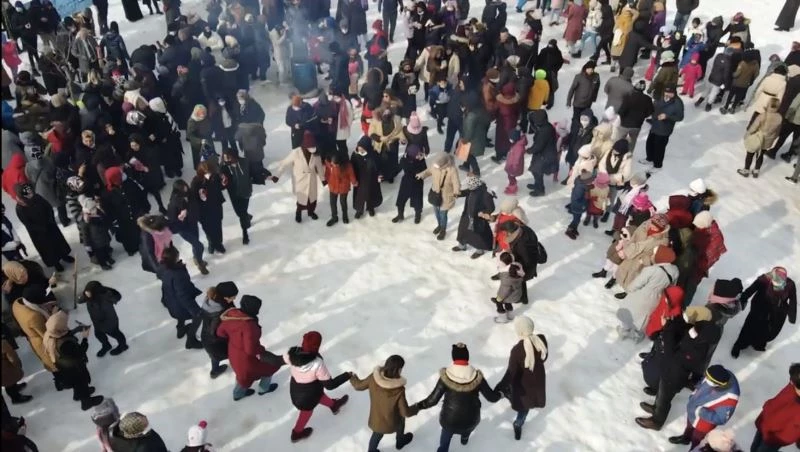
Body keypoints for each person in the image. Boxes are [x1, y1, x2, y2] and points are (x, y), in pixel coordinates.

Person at [635, 321, 723, 431]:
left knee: (665, 399)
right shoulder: (697, 340)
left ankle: (657, 421)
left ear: (703, 337)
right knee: (661, 393)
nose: (694, 329)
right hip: (669, 372)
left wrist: (668, 333)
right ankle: (656, 408)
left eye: (698, 329)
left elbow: (670, 356)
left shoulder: (696, 351)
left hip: (674, 378)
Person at [415, 343, 502, 451]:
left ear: (453, 358)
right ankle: (464, 439)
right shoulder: (477, 377)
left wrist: (418, 406)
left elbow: (432, 400)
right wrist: (501, 394)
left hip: (449, 421)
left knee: (446, 437)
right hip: (471, 420)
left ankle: (443, 449)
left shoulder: (446, 376)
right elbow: (491, 397)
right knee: (467, 428)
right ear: (467, 357)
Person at [284, 331, 351, 442]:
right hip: (306, 399)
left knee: (319, 396)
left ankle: (334, 405)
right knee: (306, 413)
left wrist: (260, 354)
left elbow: (275, 360)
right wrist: (346, 376)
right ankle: (296, 433)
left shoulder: (292, 354)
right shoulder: (317, 363)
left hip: (298, 390)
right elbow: (330, 385)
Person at [216, 295, 281, 400]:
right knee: (270, 367)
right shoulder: (249, 326)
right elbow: (250, 350)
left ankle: (237, 394)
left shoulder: (232, 315)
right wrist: (261, 350)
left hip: (233, 353)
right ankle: (263, 388)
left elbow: (220, 333)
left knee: (242, 376)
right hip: (245, 359)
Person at [494, 316, 547, 440]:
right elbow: (545, 356)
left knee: (521, 401)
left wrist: (499, 386)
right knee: (526, 406)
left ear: (520, 332)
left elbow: (511, 374)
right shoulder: (541, 340)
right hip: (538, 381)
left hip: (523, 385)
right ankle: (518, 424)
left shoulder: (517, 350)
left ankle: (506, 395)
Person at [350, 355, 418, 452]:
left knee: (376, 434)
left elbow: (358, 386)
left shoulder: (373, 378)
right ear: (398, 370)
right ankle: (400, 441)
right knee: (401, 421)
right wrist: (416, 407)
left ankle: (371, 451)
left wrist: (352, 377)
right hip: (393, 422)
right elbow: (405, 412)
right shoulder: (398, 389)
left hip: (376, 419)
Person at [43, 310, 105, 410]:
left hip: (63, 366)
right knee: (82, 382)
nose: (66, 324)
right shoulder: (65, 344)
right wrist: (85, 337)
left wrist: (76, 330)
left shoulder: (50, 333)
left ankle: (77, 395)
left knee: (76, 383)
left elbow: (65, 335)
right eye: (64, 323)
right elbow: (80, 352)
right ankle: (86, 402)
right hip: (74, 367)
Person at [667, 365, 740, 448]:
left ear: (719, 384)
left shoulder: (730, 398)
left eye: (709, 379)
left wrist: (701, 412)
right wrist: (695, 392)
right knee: (689, 427)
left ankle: (694, 449)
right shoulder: (715, 374)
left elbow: (721, 419)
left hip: (703, 423)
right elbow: (702, 381)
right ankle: (686, 438)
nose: (706, 379)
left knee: (697, 440)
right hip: (693, 410)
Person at [731, 267, 796, 358]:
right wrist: (743, 298)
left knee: (766, 329)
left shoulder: (790, 284)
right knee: (750, 325)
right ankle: (739, 345)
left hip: (776, 310)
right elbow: (752, 288)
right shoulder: (765, 279)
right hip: (760, 305)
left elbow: (793, 300)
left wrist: (792, 316)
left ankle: (757, 343)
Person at [616, 246, 678, 341]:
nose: (653, 256)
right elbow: (672, 286)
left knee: (630, 314)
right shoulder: (675, 271)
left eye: (654, 254)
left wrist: (629, 289)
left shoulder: (651, 270)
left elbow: (635, 285)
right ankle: (637, 335)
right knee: (643, 318)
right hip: (656, 298)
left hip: (640, 296)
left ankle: (624, 331)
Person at [14, 183, 74, 272]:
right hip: (39, 233)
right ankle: (56, 263)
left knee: (58, 242)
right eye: (28, 194)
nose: (31, 195)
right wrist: (41, 228)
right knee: (48, 249)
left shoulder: (37, 197)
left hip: (50, 225)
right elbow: (27, 223)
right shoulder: (20, 208)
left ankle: (64, 255)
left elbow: (48, 207)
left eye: (31, 193)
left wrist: (50, 219)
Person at [276, 131, 326, 223]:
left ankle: (311, 212)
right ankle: (298, 213)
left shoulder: (316, 154)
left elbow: (319, 167)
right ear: (305, 146)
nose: (313, 149)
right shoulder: (296, 152)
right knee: (302, 200)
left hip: (311, 180)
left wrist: (323, 179)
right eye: (311, 147)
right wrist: (277, 176)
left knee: (312, 200)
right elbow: (284, 163)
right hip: (300, 180)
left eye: (313, 146)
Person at [159, 247, 203, 350]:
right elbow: (182, 295)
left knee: (179, 314)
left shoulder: (163, 268)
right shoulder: (178, 274)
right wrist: (195, 310)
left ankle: (181, 328)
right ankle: (191, 340)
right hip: (180, 303)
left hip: (170, 299)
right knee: (198, 317)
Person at [751, 363, 800, 451]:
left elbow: (792, 433)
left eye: (792, 381)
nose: (790, 381)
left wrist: (773, 438)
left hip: (774, 438)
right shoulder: (792, 387)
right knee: (754, 447)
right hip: (765, 424)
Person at [77, 281, 127, 357]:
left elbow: (117, 297)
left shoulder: (106, 296)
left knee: (116, 334)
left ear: (95, 291)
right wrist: (85, 294)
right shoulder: (89, 297)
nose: (87, 293)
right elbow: (79, 300)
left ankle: (123, 346)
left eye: (89, 291)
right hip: (97, 322)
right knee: (99, 335)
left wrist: (111, 292)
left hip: (110, 321)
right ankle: (106, 345)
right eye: (86, 291)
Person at [417, 152, 460, 240]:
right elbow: (429, 171)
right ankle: (439, 225)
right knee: (436, 212)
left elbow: (456, 182)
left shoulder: (452, 170)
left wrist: (456, 192)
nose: (435, 166)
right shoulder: (435, 165)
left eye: (438, 165)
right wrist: (421, 175)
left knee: (443, 214)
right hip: (435, 194)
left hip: (446, 195)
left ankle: (443, 229)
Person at [200, 281, 237, 379]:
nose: (234, 299)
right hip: (216, 341)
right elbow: (220, 330)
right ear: (225, 297)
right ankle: (237, 367)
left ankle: (215, 370)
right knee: (232, 353)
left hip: (207, 338)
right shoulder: (220, 313)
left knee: (214, 357)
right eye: (233, 297)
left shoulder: (212, 299)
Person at [642, 85, 684, 171]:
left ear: (674, 93)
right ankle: (649, 158)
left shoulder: (678, 103)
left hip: (664, 129)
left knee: (659, 148)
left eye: (670, 93)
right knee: (650, 143)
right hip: (655, 125)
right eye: (666, 92)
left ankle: (657, 165)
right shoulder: (661, 97)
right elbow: (656, 107)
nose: (667, 94)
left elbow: (680, 117)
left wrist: (667, 116)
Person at [738, 98, 783, 178]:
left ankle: (746, 170)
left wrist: (747, 134)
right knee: (761, 155)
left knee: (750, 154)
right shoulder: (779, 117)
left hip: (757, 138)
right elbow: (777, 132)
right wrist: (773, 138)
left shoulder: (763, 115)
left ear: (768, 104)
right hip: (768, 140)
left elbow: (754, 127)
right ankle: (756, 171)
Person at [453, 175, 495, 258]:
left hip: (477, 219)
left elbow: (491, 207)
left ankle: (480, 250)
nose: (469, 188)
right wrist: (459, 194)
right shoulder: (473, 188)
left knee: (478, 235)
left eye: (470, 187)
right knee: (462, 230)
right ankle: (462, 245)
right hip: (467, 215)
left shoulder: (486, 193)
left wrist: (483, 212)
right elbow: (467, 192)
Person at [191, 162, 226, 254]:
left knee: (218, 227)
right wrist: (201, 197)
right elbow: (193, 198)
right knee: (208, 229)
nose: (209, 174)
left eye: (210, 172)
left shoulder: (215, 177)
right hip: (204, 211)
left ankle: (218, 243)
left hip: (216, 207)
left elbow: (220, 187)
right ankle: (211, 243)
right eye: (206, 172)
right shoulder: (196, 182)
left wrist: (223, 183)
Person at [220, 150, 253, 245]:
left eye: (229, 158)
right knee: (239, 213)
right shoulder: (224, 168)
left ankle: (245, 233)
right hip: (234, 194)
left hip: (245, 191)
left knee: (241, 214)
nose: (227, 161)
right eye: (225, 159)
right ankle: (247, 216)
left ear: (234, 156)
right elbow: (222, 183)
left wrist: (265, 176)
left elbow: (253, 173)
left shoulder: (245, 162)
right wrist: (223, 183)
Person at [526, 110, 558, 197]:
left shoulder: (544, 131)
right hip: (544, 153)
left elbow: (538, 146)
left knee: (537, 171)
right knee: (535, 171)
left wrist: (529, 150)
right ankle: (537, 185)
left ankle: (540, 189)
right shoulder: (547, 126)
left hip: (545, 155)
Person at [352, 136, 384, 219]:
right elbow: (352, 167)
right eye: (359, 148)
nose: (360, 150)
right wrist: (353, 179)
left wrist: (380, 174)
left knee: (371, 194)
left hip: (371, 178)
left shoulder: (374, 154)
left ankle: (370, 207)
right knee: (360, 195)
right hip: (360, 178)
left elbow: (379, 165)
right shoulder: (355, 155)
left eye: (362, 148)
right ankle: (359, 210)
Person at [393, 144, 426, 224]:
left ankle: (418, 215)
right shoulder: (404, 161)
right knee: (401, 200)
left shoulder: (421, 160)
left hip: (417, 183)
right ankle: (400, 215)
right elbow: (398, 169)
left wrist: (420, 161)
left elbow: (424, 170)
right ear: (412, 155)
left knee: (417, 202)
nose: (419, 154)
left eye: (419, 153)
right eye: (417, 153)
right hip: (406, 183)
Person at [2, 334, 33, 404]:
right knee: (9, 382)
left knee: (8, 381)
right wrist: (18, 365)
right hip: (6, 368)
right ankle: (16, 398)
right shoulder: (3, 344)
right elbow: (12, 357)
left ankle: (15, 387)